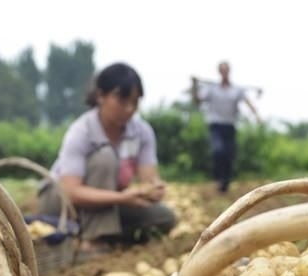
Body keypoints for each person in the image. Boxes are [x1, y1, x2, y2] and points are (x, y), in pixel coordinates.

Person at [37, 62, 177, 259]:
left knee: (163, 217)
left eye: (135, 102)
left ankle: (86, 233)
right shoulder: (82, 131)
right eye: (122, 100)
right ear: (100, 96)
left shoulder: (142, 132)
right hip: (60, 201)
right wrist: (122, 198)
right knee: (105, 157)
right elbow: (71, 191)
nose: (129, 109)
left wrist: (153, 190)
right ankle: (92, 241)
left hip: (108, 201)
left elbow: (149, 179)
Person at [191, 61, 261, 193]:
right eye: (222, 70)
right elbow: (196, 100)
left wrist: (256, 115)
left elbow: (248, 102)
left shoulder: (236, 90)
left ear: (229, 71)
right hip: (215, 126)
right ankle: (217, 179)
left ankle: (225, 183)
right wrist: (194, 85)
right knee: (218, 151)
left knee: (229, 155)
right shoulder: (212, 89)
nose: (224, 72)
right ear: (219, 72)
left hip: (230, 126)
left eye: (226, 70)